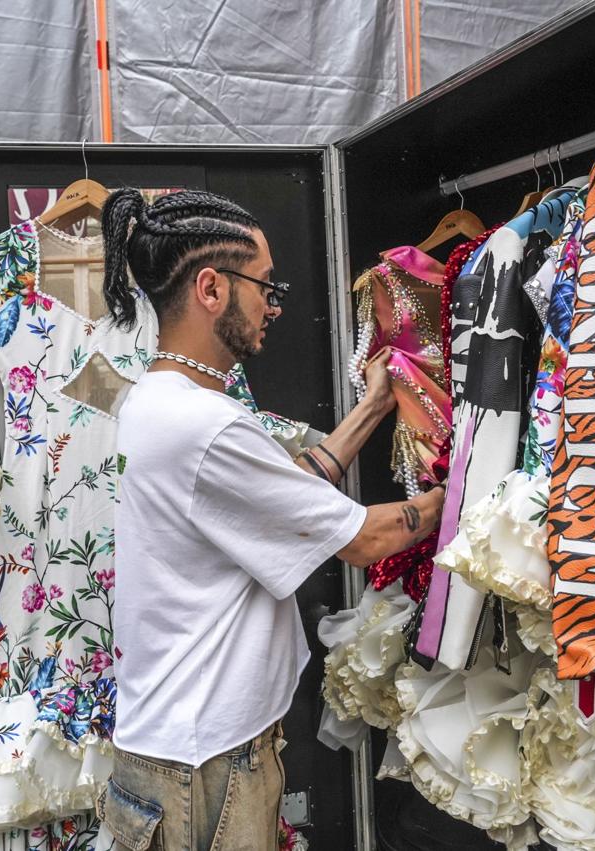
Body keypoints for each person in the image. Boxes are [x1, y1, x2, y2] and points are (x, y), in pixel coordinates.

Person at [96, 188, 444, 850]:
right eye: (264, 285)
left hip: (179, 751)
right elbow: (366, 540)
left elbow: (286, 493)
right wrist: (470, 495)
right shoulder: (205, 424)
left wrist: (372, 410)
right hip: (206, 767)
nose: (273, 304)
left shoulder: (159, 399)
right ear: (209, 287)